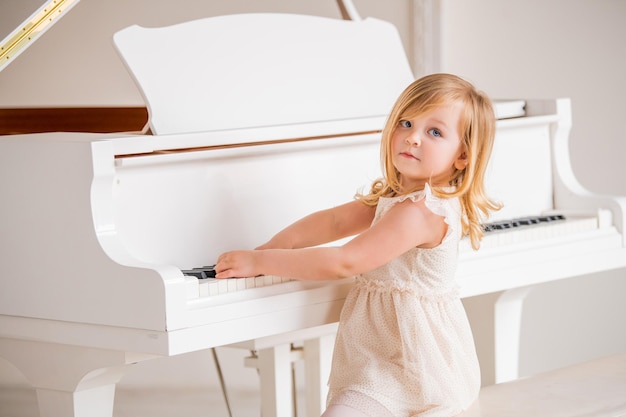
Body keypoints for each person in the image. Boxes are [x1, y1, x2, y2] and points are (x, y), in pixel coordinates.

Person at [215, 73, 502, 417]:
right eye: (406, 122)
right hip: (383, 355)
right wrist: (277, 245)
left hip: (412, 369)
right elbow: (334, 222)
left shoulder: (421, 211)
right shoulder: (397, 196)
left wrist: (261, 262)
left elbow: (345, 262)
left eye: (434, 132)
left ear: (462, 157)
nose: (412, 138)